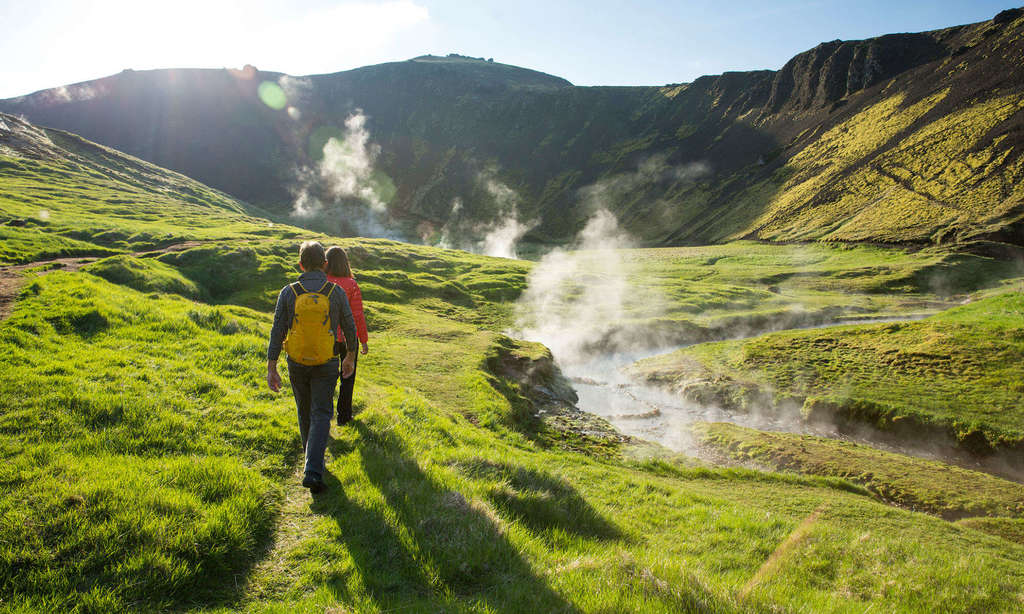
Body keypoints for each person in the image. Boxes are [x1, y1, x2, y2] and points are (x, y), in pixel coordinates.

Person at [267, 241, 357, 494]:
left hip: (296, 361)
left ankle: (311, 462)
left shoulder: (289, 292)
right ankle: (313, 469)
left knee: (304, 411)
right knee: (321, 412)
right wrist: (349, 356)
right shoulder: (335, 292)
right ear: (325, 264)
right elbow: (349, 327)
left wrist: (271, 365)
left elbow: (278, 330)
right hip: (327, 360)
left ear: (300, 264)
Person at [325, 246, 369, 426]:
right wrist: (363, 340)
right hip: (348, 339)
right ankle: (344, 417)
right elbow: (357, 315)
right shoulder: (351, 285)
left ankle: (323, 415)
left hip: (326, 337)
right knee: (347, 378)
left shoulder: (322, 282)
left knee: (326, 378)